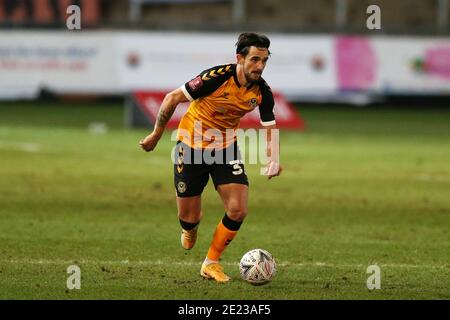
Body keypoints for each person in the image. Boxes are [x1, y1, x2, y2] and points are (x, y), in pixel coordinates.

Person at [139, 32, 282, 282]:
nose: (260, 66)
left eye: (264, 61)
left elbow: (270, 126)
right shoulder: (215, 78)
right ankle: (189, 228)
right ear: (240, 58)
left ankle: (211, 262)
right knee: (189, 216)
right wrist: (156, 134)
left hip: (225, 148)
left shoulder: (262, 92)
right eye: (255, 60)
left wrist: (274, 159)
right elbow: (172, 98)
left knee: (238, 210)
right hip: (190, 147)